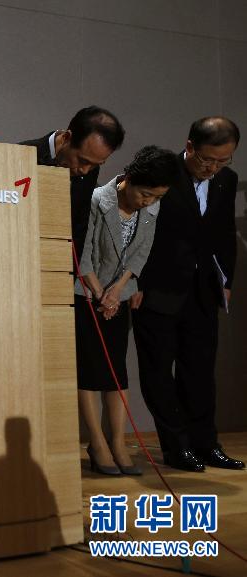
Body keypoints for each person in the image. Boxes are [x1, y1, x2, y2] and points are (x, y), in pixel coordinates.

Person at [131, 117, 243, 472]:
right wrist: (134, 281)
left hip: (202, 291)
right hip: (156, 288)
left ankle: (206, 444)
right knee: (159, 372)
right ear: (190, 146)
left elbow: (224, 235)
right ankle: (176, 447)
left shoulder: (226, 180)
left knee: (199, 372)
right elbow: (135, 227)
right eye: (207, 160)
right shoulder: (163, 171)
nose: (213, 168)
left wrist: (225, 281)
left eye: (223, 161)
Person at [74, 145, 178, 476]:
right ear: (128, 180)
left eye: (156, 197)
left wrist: (118, 290)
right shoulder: (95, 200)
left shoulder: (152, 207)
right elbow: (82, 252)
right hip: (87, 294)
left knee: (116, 370)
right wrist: (99, 292)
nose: (148, 202)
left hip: (117, 295)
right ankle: (98, 443)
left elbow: (140, 254)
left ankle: (118, 441)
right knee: (90, 370)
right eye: (145, 193)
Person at [20, 106, 125, 259]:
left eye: (96, 164)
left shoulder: (89, 170)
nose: (85, 170)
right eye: (83, 160)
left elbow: (78, 227)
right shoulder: (19, 155)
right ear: (65, 138)